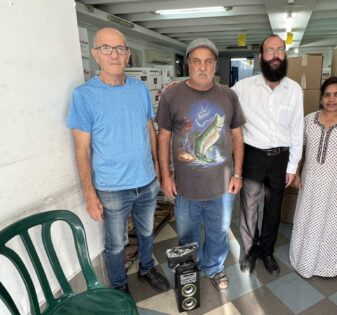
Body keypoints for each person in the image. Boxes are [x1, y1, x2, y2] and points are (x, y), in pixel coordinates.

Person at [67, 27, 169, 294]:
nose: (114, 55)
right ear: (95, 55)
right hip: (112, 188)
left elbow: (149, 129)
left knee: (146, 233)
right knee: (115, 244)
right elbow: (81, 150)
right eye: (106, 49)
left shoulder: (139, 89)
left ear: (127, 55)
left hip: (146, 182)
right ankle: (120, 286)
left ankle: (146, 269)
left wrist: (157, 169)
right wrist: (90, 194)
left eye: (120, 49)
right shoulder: (84, 95)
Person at [156, 38, 245, 291]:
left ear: (215, 64)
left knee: (219, 233)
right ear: (188, 64)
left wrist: (238, 173)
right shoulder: (171, 95)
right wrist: (166, 175)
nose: (202, 67)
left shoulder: (229, 95)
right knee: (187, 235)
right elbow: (163, 137)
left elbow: (237, 136)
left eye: (208, 61)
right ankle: (189, 270)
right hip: (186, 187)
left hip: (222, 187)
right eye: (197, 61)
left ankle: (214, 269)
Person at [231, 34, 304, 276]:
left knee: (274, 207)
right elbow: (219, 100)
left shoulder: (294, 90)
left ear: (285, 55)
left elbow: (297, 130)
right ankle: (250, 250)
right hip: (253, 156)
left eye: (280, 50)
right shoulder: (243, 88)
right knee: (249, 206)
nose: (275, 54)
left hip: (281, 159)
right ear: (261, 57)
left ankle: (267, 251)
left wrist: (292, 167)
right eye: (269, 50)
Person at [289, 76, 337, 278]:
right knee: (309, 221)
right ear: (321, 98)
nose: (331, 99)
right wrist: (296, 172)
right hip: (311, 182)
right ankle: (304, 259)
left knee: (333, 224)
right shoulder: (309, 120)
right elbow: (299, 149)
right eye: (327, 95)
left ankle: (329, 264)